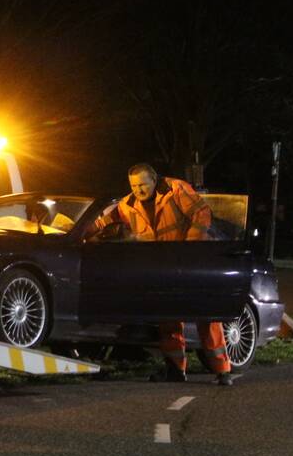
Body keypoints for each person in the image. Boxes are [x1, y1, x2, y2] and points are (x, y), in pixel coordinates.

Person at [98, 163, 232, 386]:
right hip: (163, 268)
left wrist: (189, 248)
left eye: (142, 184)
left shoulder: (175, 190)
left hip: (191, 263)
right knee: (168, 319)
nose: (138, 190)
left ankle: (222, 370)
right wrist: (80, 230)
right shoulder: (128, 205)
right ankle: (175, 370)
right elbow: (105, 221)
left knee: (206, 317)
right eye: (134, 186)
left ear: (154, 180)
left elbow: (201, 213)